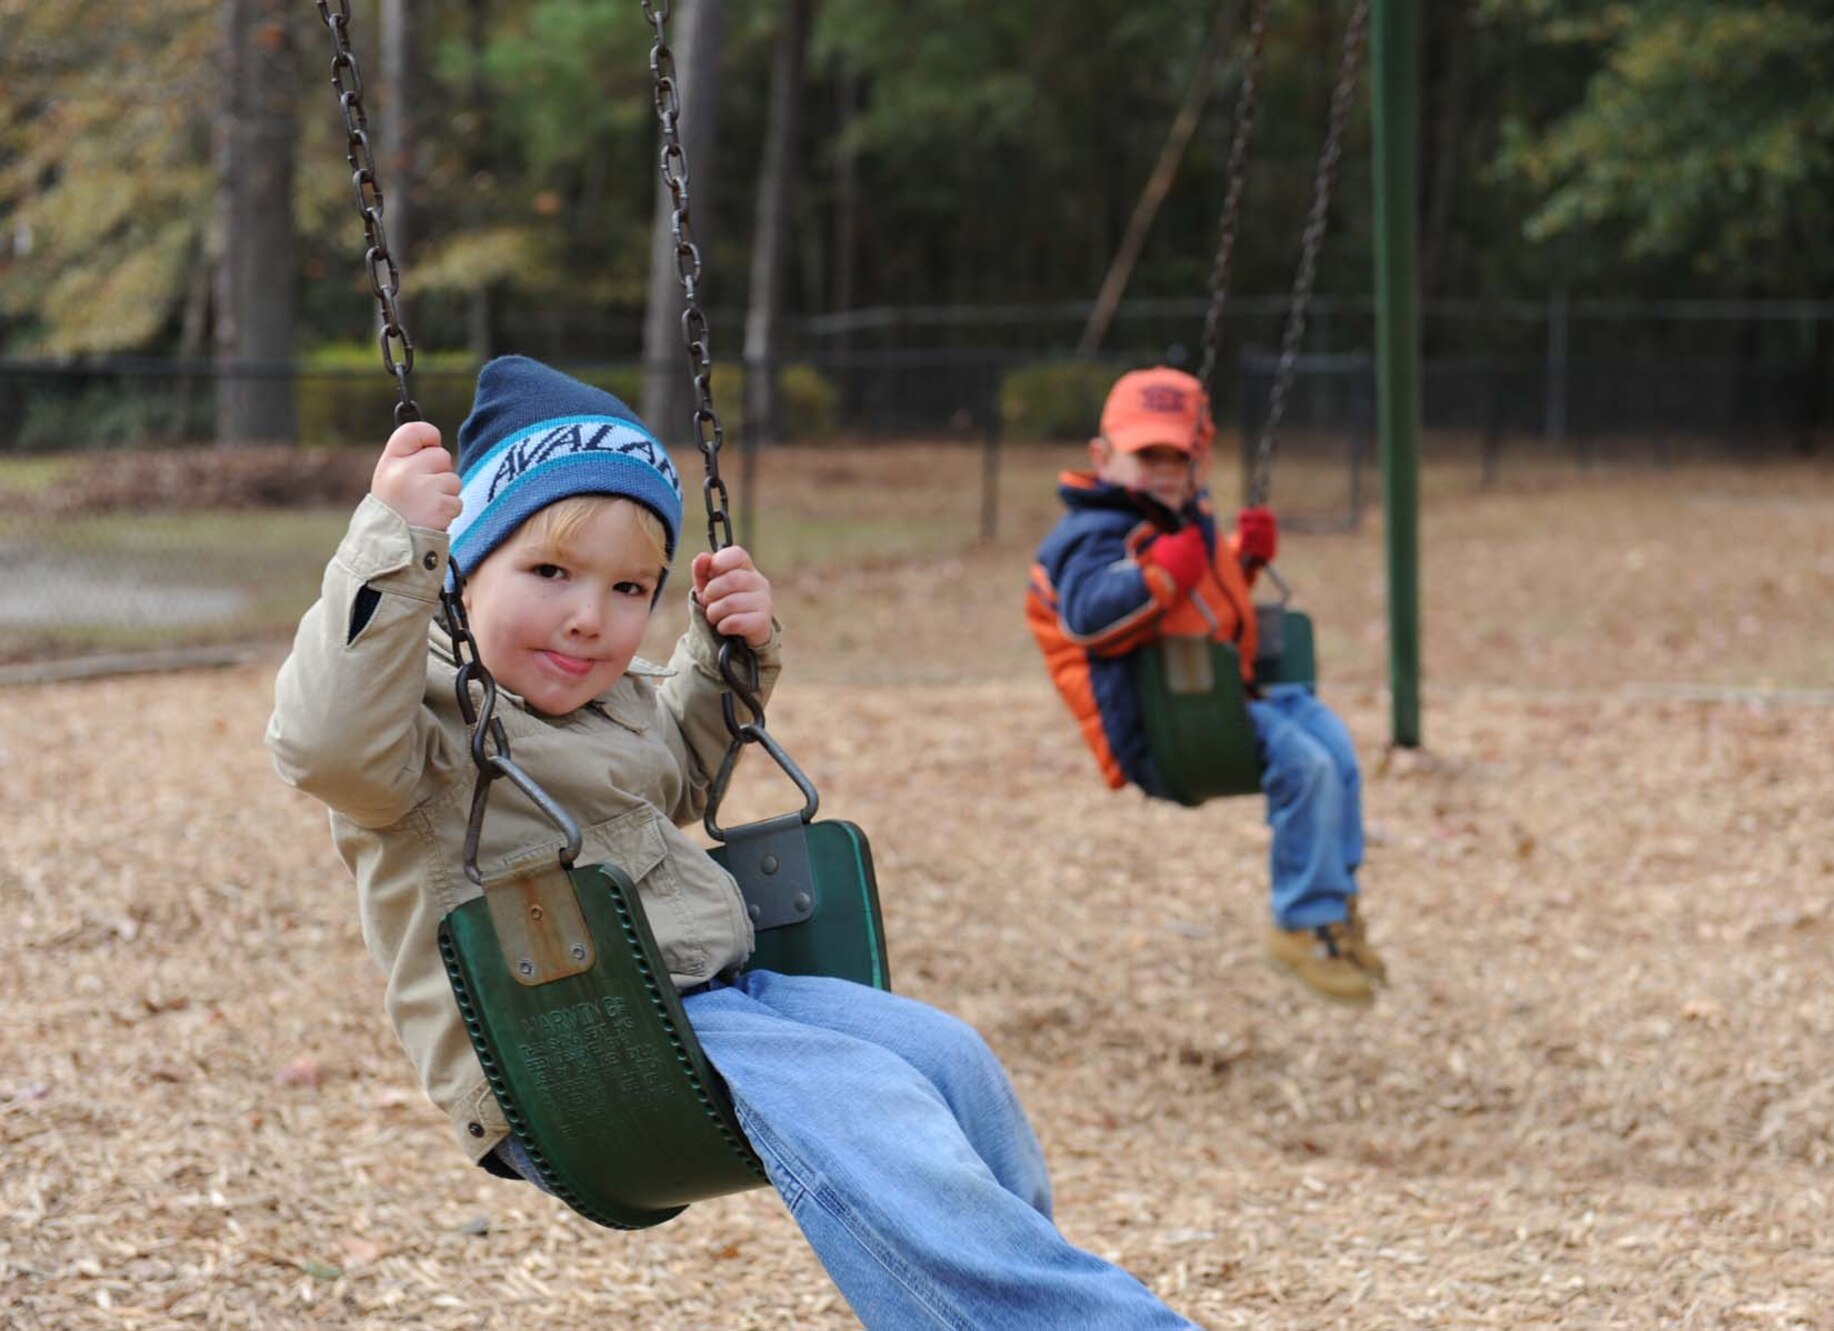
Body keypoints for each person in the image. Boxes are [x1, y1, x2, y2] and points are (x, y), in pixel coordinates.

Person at [267, 355, 1197, 1329]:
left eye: (631, 588)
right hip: (572, 1041)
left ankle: (995, 1302)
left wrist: (724, 655)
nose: (590, 617)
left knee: (945, 1056)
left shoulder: (605, 697)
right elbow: (322, 746)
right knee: (866, 1100)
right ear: (457, 569)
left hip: (713, 998)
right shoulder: (412, 714)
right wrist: (390, 543)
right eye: (549, 572)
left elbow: (672, 776)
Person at [1026, 366, 1386, 1005]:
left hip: (1223, 696)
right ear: (1102, 459)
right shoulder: (1093, 535)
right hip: (1167, 727)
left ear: (1203, 459)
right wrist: (1160, 576)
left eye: (1180, 455)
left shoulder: (1184, 519)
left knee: (1336, 749)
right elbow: (1087, 615)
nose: (1166, 470)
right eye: (1148, 456)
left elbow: (1203, 609)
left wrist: (1241, 562)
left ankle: (1336, 903)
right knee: (1305, 766)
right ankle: (1299, 923)